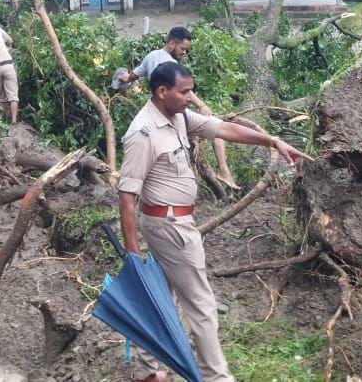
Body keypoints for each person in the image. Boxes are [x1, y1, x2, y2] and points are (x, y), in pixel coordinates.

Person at [118, 62, 312, 382]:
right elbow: (126, 196)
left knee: (158, 297)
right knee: (202, 306)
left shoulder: (177, 116)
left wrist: (272, 140)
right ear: (162, 92)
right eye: (185, 91)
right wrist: (132, 255)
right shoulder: (144, 133)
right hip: (170, 228)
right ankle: (216, 377)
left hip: (171, 223)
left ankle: (147, 371)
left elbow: (223, 129)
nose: (190, 97)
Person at [120, 27, 237, 189]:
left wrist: (122, 77)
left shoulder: (151, 55)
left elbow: (132, 76)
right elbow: (184, 91)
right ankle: (223, 172)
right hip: (173, 110)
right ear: (171, 43)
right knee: (217, 129)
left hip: (157, 110)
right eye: (182, 48)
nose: (184, 53)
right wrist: (201, 105)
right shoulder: (171, 65)